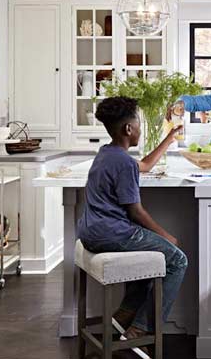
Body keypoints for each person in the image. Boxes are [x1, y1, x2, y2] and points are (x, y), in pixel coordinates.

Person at [78, 96, 188, 339]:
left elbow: (145, 165)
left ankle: (123, 317)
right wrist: (167, 236)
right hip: (111, 234)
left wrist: (169, 138)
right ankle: (140, 331)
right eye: (138, 123)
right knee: (177, 260)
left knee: (149, 254)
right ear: (129, 129)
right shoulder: (124, 163)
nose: (140, 127)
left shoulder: (107, 153)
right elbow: (135, 212)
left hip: (90, 233)